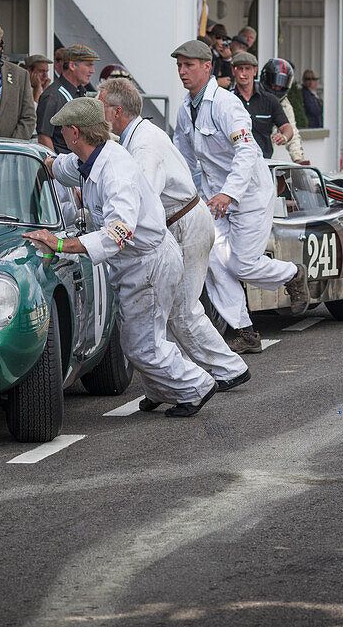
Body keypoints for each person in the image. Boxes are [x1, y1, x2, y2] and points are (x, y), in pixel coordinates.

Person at [23, 98, 218, 418]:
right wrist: (35, 164)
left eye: (62, 131)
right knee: (137, 338)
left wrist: (59, 245)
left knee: (144, 344)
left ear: (74, 133)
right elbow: (60, 167)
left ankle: (195, 386)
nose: (60, 136)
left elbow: (117, 234)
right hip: (136, 262)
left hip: (148, 262)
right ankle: (160, 390)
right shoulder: (91, 157)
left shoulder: (116, 172)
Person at [97, 76, 251, 391]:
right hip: (178, 219)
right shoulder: (134, 136)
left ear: (115, 111)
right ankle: (167, 384)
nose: (96, 112)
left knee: (181, 308)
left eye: (100, 106)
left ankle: (229, 369)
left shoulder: (142, 144)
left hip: (183, 221)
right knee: (168, 309)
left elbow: (142, 197)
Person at [171, 40, 308, 353]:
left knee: (242, 266)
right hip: (214, 198)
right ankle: (245, 331)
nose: (182, 71)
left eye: (189, 65)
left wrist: (228, 193)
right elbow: (184, 158)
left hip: (249, 194)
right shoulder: (185, 109)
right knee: (216, 264)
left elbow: (248, 151)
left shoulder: (226, 105)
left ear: (208, 67)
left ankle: (293, 274)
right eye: (179, 65)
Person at [36, 43, 97, 152]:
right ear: (72, 65)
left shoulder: (79, 93)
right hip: (63, 164)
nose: (92, 71)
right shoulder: (52, 96)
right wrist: (54, 165)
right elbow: (44, 137)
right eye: (88, 65)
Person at [231, 54, 292, 159]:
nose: (243, 73)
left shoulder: (270, 100)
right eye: (240, 69)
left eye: (247, 69)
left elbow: (287, 127)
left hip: (264, 162)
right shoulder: (227, 99)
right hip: (233, 162)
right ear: (233, 71)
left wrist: (284, 137)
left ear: (255, 71)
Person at [258, 57, 311, 164]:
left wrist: (298, 158)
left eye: (281, 84)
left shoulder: (284, 103)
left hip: (265, 155)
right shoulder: (252, 95)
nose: (278, 88)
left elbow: (293, 131)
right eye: (275, 83)